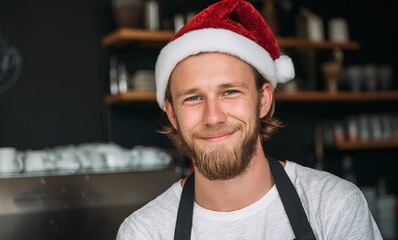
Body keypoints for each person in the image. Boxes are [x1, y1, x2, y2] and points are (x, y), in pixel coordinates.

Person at [117, 0, 382, 239]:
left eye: (230, 92)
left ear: (264, 100)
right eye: (193, 98)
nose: (213, 117)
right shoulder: (145, 232)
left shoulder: (333, 206)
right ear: (172, 114)